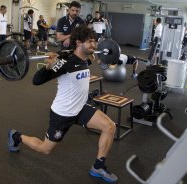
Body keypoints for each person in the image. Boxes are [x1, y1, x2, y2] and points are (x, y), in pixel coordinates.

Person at [7, 25, 118, 183]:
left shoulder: (84, 58)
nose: (94, 45)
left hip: (80, 108)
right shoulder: (64, 62)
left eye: (95, 42)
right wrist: (48, 67)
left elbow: (89, 59)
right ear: (79, 43)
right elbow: (36, 81)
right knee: (45, 149)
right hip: (63, 114)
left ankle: (98, 167)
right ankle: (16, 136)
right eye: (91, 42)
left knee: (109, 126)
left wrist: (95, 55)